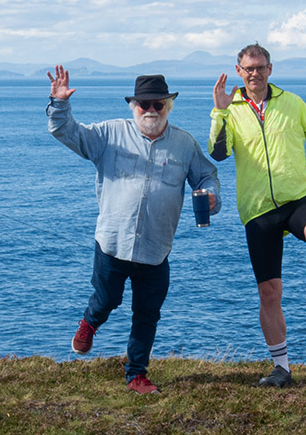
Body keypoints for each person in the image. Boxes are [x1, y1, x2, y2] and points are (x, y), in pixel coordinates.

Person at [48, 67, 221, 394]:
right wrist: (59, 103)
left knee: (147, 313)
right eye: (145, 104)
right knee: (107, 299)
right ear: (134, 106)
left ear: (168, 105)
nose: (151, 110)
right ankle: (90, 322)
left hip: (156, 249)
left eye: (158, 104)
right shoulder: (109, 134)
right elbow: (66, 131)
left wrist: (212, 195)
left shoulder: (184, 144)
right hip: (112, 243)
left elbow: (206, 176)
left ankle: (136, 375)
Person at [209, 44, 306, 388]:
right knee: (269, 293)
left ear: (270, 68)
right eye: (249, 68)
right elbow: (219, 153)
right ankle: (282, 368)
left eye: (261, 67)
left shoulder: (292, 103)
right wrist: (219, 112)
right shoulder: (230, 109)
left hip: (297, 196)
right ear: (239, 71)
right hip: (257, 208)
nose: (255, 73)